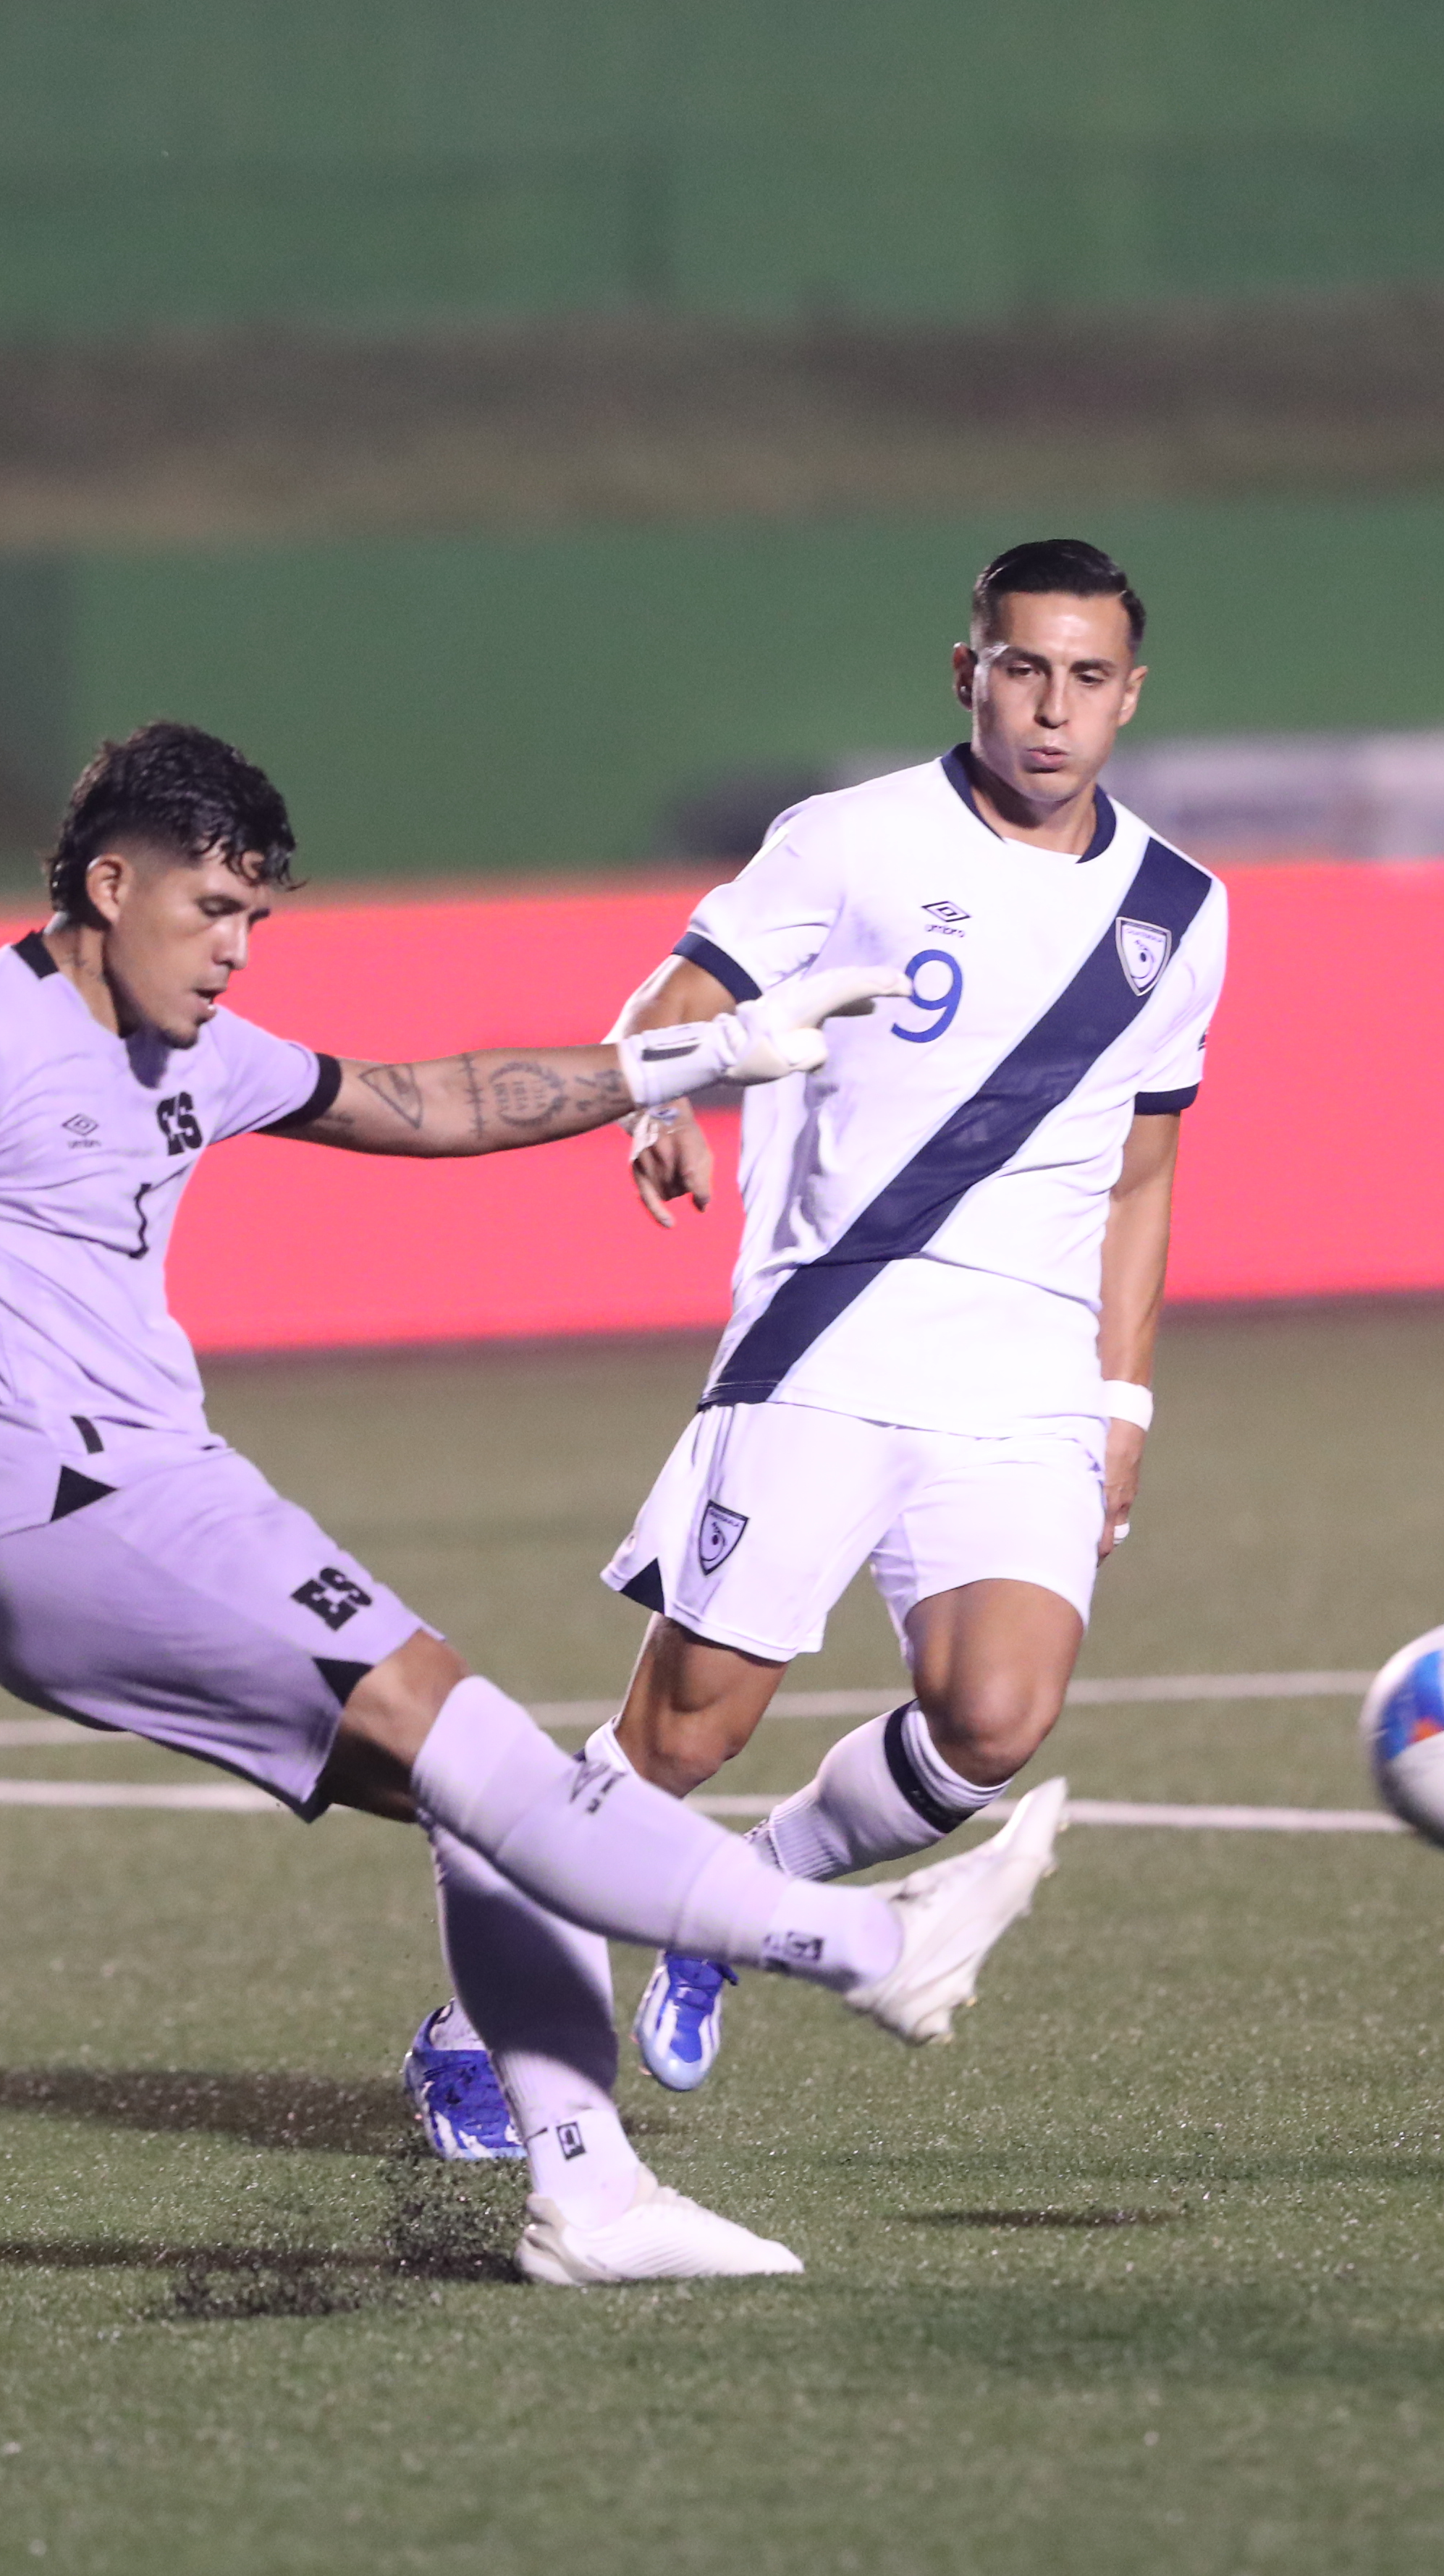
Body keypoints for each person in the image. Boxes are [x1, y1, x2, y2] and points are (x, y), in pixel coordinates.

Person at [0, 720, 1070, 2287]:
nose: (234, 951)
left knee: (485, 1815)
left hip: (156, 1498)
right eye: (209, 911)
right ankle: (872, 1949)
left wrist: (696, 1058)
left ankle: (589, 2195)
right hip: (83, 1509)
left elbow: (434, 1102)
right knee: (491, 1754)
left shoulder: (195, 1053)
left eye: (254, 920)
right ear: (108, 878)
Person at [400, 539, 1222, 2153]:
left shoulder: (1179, 913)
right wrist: (665, 1092)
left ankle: (757, 1897)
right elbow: (685, 985)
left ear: (1132, 694)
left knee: (997, 1717)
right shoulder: (847, 842)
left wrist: (1123, 1393)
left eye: (1086, 678)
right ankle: (473, 2029)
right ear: (967, 670)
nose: (1051, 708)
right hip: (826, 1342)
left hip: (1027, 1378)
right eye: (1021, 668)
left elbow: (1146, 1166)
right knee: (687, 1726)